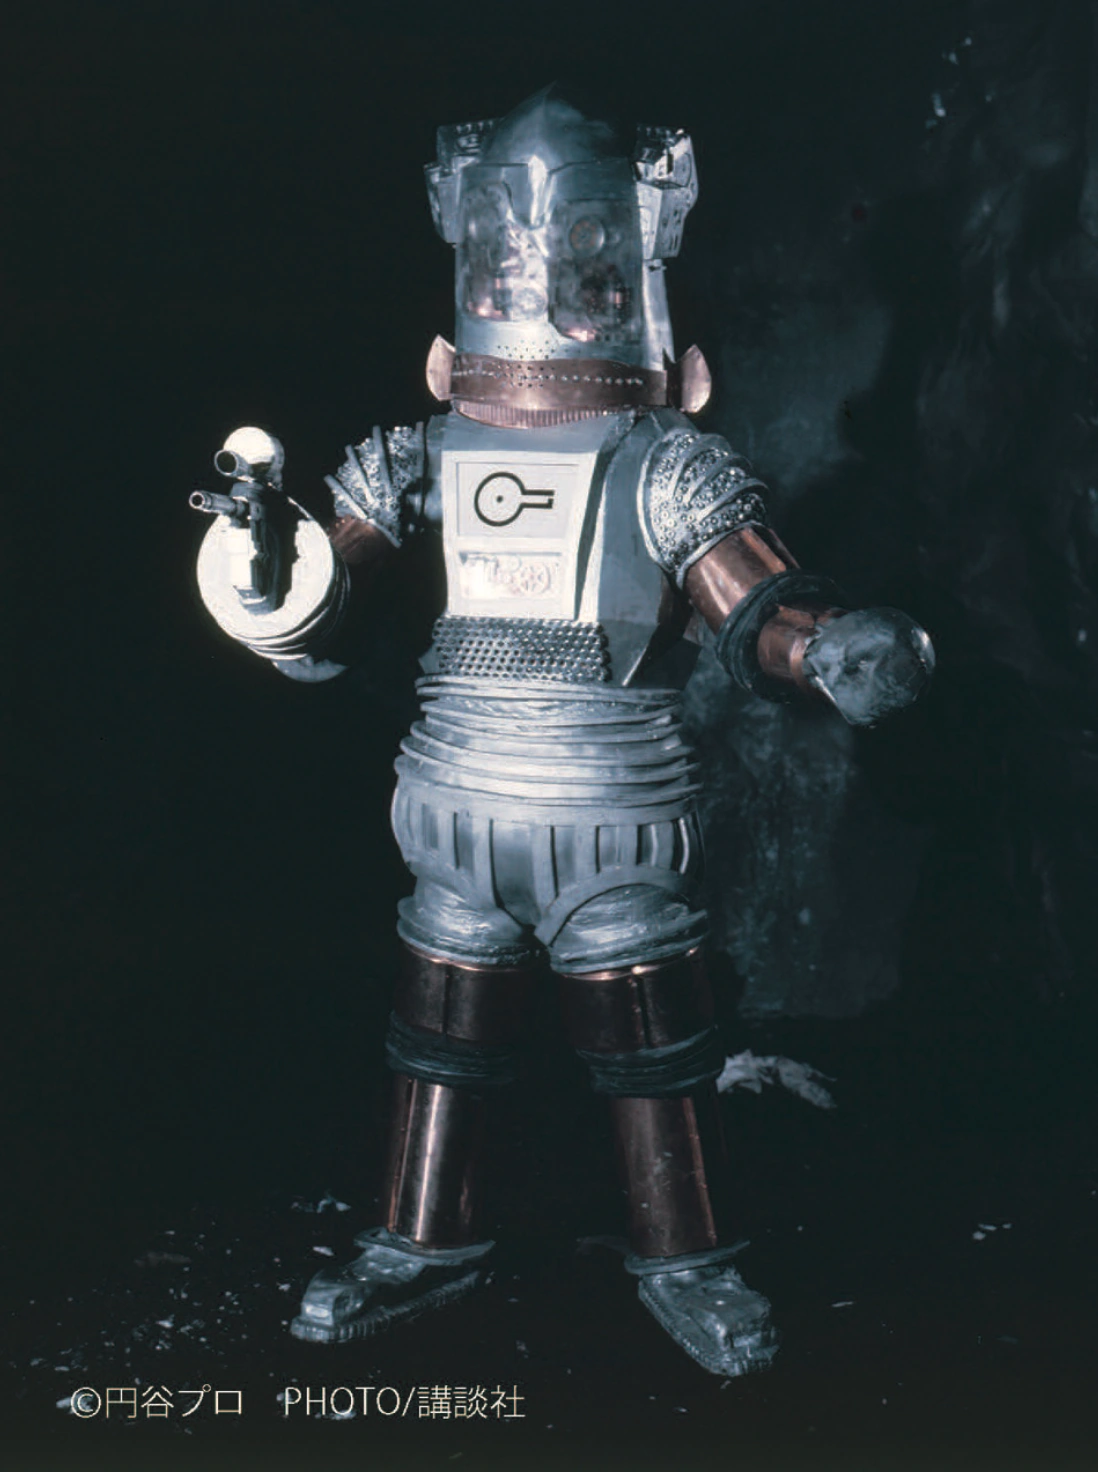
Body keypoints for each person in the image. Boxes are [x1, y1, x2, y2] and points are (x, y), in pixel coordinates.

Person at [191, 86, 934, 1376]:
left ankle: (688, 1261)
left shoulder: (665, 467)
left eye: (586, 271)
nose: (545, 289)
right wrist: (267, 577)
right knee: (439, 1040)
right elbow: (325, 594)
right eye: (520, 266)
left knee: (651, 1049)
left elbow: (753, 605)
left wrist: (826, 649)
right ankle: (422, 1239)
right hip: (452, 814)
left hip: (615, 826)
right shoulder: (419, 457)